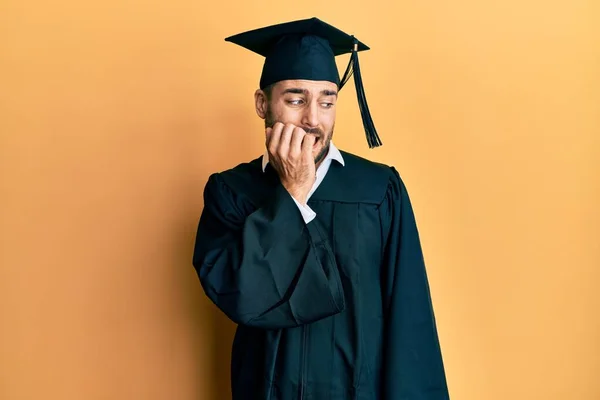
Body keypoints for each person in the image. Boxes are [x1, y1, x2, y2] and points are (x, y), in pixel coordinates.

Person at [192, 17, 449, 400]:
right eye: (296, 99)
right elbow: (242, 296)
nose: (313, 118)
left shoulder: (379, 190)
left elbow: (409, 320)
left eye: (327, 101)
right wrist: (293, 190)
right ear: (263, 104)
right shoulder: (231, 192)